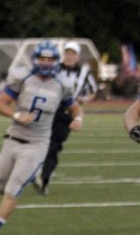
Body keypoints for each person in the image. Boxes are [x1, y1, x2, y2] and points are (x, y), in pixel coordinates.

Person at [0, 40, 82, 235]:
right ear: (35, 59)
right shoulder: (22, 78)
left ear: (56, 61)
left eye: (50, 59)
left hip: (37, 143)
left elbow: (75, 107)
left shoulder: (63, 84)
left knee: (13, 188)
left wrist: (78, 119)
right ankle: (33, 175)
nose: (45, 63)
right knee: (1, 184)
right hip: (13, 138)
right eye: (42, 58)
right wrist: (17, 115)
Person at [33, 41, 97, 195]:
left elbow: (93, 91)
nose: (69, 56)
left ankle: (44, 179)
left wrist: (83, 100)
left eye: (72, 53)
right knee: (40, 142)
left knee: (54, 146)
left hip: (67, 113)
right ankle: (37, 171)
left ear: (78, 56)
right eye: (67, 53)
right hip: (49, 110)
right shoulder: (54, 68)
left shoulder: (84, 73)